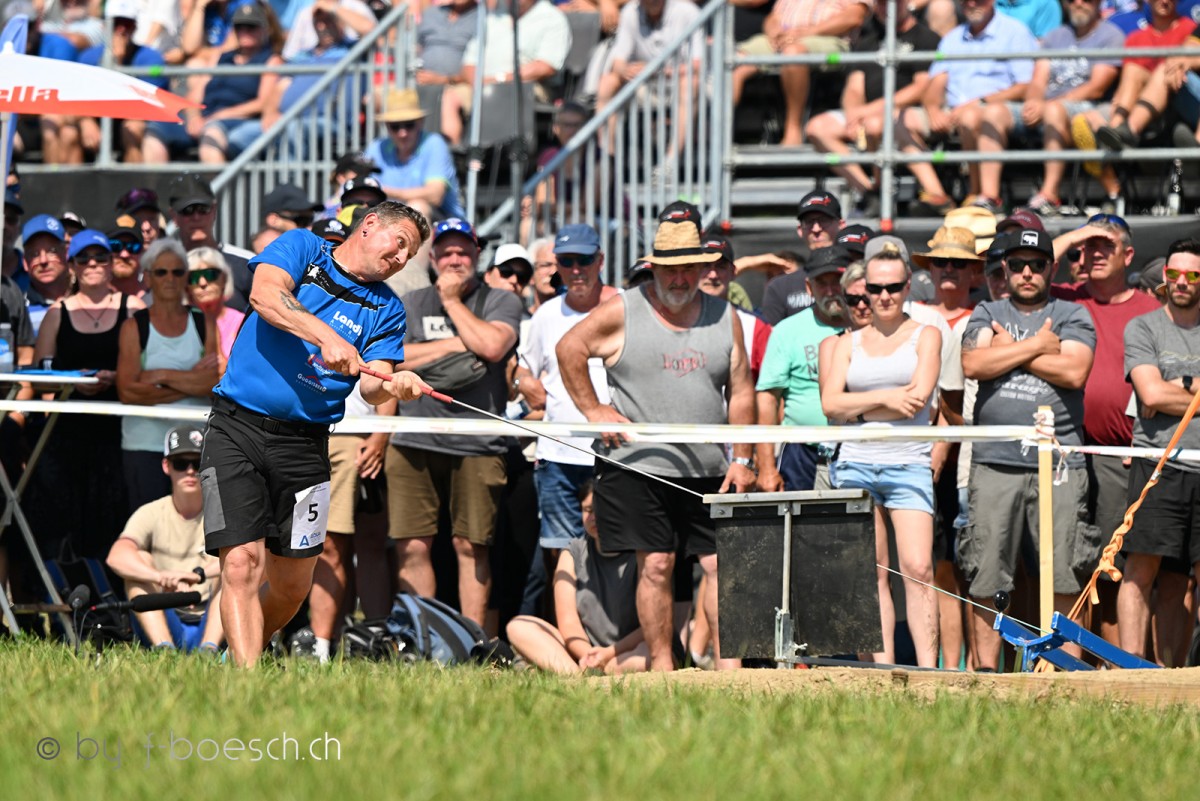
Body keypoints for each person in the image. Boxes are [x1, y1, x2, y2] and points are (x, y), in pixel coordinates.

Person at [201, 201, 432, 667]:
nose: (401, 259)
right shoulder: (304, 248)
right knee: (241, 564)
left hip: (306, 444)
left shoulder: (388, 308)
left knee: (291, 588)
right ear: (369, 225)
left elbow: (372, 384)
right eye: (399, 244)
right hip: (236, 428)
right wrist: (326, 336)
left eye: (409, 255)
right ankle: (244, 683)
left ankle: (237, 657)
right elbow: (265, 296)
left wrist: (396, 384)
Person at [557, 201, 757, 671]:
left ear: (703, 268)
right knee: (656, 564)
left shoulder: (725, 316)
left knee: (719, 565)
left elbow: (741, 389)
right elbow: (569, 348)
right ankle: (663, 670)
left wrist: (743, 458)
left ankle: (729, 674)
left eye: (689, 269)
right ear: (654, 269)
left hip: (708, 467)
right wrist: (594, 409)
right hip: (637, 466)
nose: (680, 279)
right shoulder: (623, 309)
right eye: (671, 270)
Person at [959, 228, 1098, 671]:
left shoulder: (1072, 313)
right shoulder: (987, 309)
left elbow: (1074, 373)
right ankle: (986, 677)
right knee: (986, 574)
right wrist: (1039, 345)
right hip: (993, 464)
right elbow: (973, 363)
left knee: (1065, 573)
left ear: (1051, 269)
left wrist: (1011, 350)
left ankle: (1064, 676)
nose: (1026, 272)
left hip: (1059, 463)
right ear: (1004, 268)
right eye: (1017, 264)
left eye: (1036, 264)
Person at [386, 218, 524, 628]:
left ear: (478, 255)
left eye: (464, 251)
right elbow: (392, 362)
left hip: (477, 442)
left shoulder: (501, 300)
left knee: (471, 545)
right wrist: (460, 346)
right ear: (432, 258)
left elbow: (493, 347)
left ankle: (471, 641)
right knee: (412, 545)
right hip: (414, 438)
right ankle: (427, 639)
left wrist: (451, 303)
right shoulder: (410, 301)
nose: (455, 259)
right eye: (446, 252)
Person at [820, 246, 942, 667]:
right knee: (870, 573)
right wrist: (889, 398)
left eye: (892, 287)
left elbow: (918, 398)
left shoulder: (927, 334)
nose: (883, 296)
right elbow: (830, 405)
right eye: (874, 288)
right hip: (854, 462)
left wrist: (858, 405)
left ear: (908, 287)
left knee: (918, 569)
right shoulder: (847, 342)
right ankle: (881, 672)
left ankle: (929, 674)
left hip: (909, 463)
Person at [1051, 214, 1159, 647]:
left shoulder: (1151, 310)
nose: (1094, 253)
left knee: (1113, 569)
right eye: (1087, 247)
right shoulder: (1065, 299)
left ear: (1128, 255)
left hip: (1124, 456)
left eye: (1105, 245)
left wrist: (1145, 442)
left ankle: (1109, 664)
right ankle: (1075, 658)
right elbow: (1032, 264)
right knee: (1068, 564)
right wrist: (1080, 234)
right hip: (1069, 452)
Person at [29, 232, 148, 560]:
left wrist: (117, 377)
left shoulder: (133, 308)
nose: (92, 264)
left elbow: (149, 367)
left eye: (100, 257)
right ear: (72, 266)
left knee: (115, 517)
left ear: (111, 264)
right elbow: (40, 378)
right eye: (84, 258)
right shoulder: (57, 313)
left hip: (120, 430)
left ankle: (113, 589)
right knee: (66, 522)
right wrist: (73, 382)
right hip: (68, 433)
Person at [1120, 238, 1200, 666]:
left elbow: (1158, 394)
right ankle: (1130, 670)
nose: (1181, 282)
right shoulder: (1143, 327)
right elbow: (1149, 393)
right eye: (1174, 273)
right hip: (1159, 463)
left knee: (1180, 581)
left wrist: (1173, 390)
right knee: (1141, 569)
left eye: (1192, 274)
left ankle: (1175, 675)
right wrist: (1185, 389)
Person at [974, 0, 1122, 217]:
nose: (1078, 3)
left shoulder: (1111, 35)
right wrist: (1033, 102)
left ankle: (1050, 195)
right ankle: (990, 197)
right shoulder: (1056, 36)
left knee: (1054, 111)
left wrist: (1047, 106)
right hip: (1046, 106)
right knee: (993, 112)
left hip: (1084, 108)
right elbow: (1038, 80)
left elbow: (1096, 87)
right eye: (1072, 0)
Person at [895, 0, 1037, 215]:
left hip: (994, 108)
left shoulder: (1015, 32)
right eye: (965, 0)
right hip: (952, 110)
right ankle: (937, 195)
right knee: (898, 118)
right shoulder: (952, 38)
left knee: (972, 116)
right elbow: (936, 82)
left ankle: (979, 194)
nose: (971, 4)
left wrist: (980, 102)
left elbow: (1025, 86)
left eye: (979, 0)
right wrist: (933, 110)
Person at [506, 481, 664, 674]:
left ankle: (601, 671)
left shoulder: (644, 554)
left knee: (648, 654)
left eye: (601, 509)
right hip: (584, 651)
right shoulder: (572, 552)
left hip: (629, 649)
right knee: (519, 626)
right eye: (588, 510)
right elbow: (568, 621)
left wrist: (608, 654)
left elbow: (654, 624)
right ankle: (575, 675)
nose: (594, 517)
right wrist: (589, 655)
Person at [117, 239, 219, 512]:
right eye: (161, 272)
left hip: (195, 443)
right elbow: (127, 391)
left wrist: (159, 375)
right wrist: (190, 381)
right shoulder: (134, 326)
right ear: (148, 277)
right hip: (144, 444)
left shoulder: (204, 322)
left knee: (197, 526)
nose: (170, 279)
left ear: (186, 276)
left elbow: (212, 383)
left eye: (177, 271)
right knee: (146, 522)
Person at [805, 0, 938, 208]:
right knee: (817, 127)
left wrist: (868, 111)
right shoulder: (868, 40)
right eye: (882, 4)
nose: (888, 8)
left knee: (875, 124)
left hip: (905, 113)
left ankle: (884, 189)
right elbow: (854, 87)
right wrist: (853, 115)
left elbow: (921, 88)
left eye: (894, 3)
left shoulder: (926, 38)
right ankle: (869, 192)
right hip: (866, 114)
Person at [106, 425, 224, 652]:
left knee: (234, 570)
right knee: (140, 559)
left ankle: (209, 650)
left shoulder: (223, 512)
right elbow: (116, 557)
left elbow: (252, 558)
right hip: (165, 616)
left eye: (197, 464)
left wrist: (197, 575)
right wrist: (160, 577)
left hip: (214, 617)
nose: (190, 471)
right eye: (180, 464)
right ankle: (164, 649)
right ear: (166, 466)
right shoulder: (150, 512)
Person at [755, 245, 851, 492]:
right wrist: (766, 467)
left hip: (856, 449)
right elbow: (768, 399)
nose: (830, 291)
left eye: (837, 282)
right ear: (809, 288)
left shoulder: (866, 327)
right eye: (822, 283)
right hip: (801, 452)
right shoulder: (787, 331)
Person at [732, 0, 871, 147]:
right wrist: (775, 32)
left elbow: (854, 17)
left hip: (829, 38)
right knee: (733, 61)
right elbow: (773, 16)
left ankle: (793, 130)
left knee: (793, 53)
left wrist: (805, 33)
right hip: (784, 38)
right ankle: (721, 134)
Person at [365, 87, 467, 221]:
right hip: (391, 220)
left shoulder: (434, 143)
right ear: (386, 126)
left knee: (417, 207)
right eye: (395, 126)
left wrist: (384, 191)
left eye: (409, 125)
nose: (402, 133)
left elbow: (435, 195)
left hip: (445, 223)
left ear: (420, 123)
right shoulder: (376, 147)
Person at [166, 173, 255, 312]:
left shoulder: (247, 264)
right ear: (174, 216)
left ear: (214, 210)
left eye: (203, 209)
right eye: (187, 210)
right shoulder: (162, 267)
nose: (196, 217)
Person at [760, 190, 847, 325]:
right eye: (809, 222)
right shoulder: (780, 288)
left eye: (824, 220)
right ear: (800, 230)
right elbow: (773, 335)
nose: (816, 229)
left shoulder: (859, 279)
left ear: (841, 225)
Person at [185, 247, 245, 371]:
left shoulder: (242, 323)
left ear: (224, 278)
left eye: (210, 274)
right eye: (194, 277)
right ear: (186, 286)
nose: (202, 283)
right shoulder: (179, 323)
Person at [20, 214, 72, 335]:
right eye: (34, 254)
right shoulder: (19, 309)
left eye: (52, 251)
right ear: (25, 262)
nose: (43, 260)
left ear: (66, 254)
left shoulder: (87, 298)